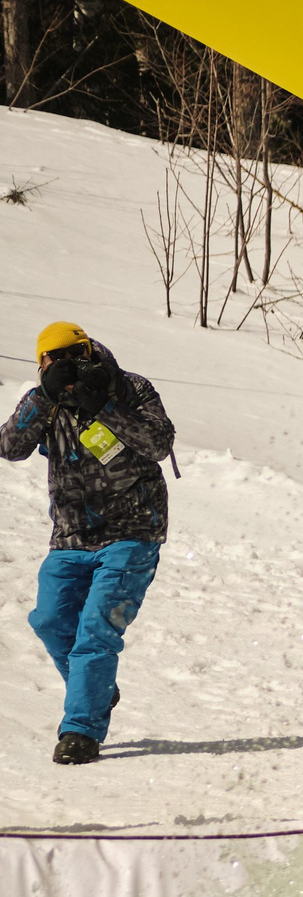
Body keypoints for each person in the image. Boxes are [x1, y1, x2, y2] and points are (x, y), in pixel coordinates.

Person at [2, 323, 177, 766]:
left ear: (89, 351)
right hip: (70, 537)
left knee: (96, 630)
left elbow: (159, 442)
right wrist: (44, 396)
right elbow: (9, 446)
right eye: (51, 359)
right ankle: (97, 688)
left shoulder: (129, 388)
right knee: (48, 619)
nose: (63, 366)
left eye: (71, 355)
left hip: (133, 532)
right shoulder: (45, 398)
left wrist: (103, 405)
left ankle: (81, 730)